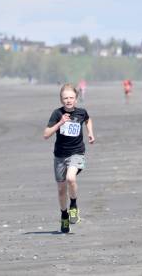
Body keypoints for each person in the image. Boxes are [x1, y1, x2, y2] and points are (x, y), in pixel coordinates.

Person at [43, 84, 95, 233]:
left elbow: (88, 120)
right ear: (61, 99)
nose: (68, 100)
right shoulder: (56, 113)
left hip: (77, 152)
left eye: (71, 97)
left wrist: (90, 133)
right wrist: (60, 123)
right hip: (60, 155)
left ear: (76, 99)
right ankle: (64, 215)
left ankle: (73, 205)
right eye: (65, 98)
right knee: (61, 189)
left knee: (71, 178)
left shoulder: (81, 112)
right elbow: (46, 134)